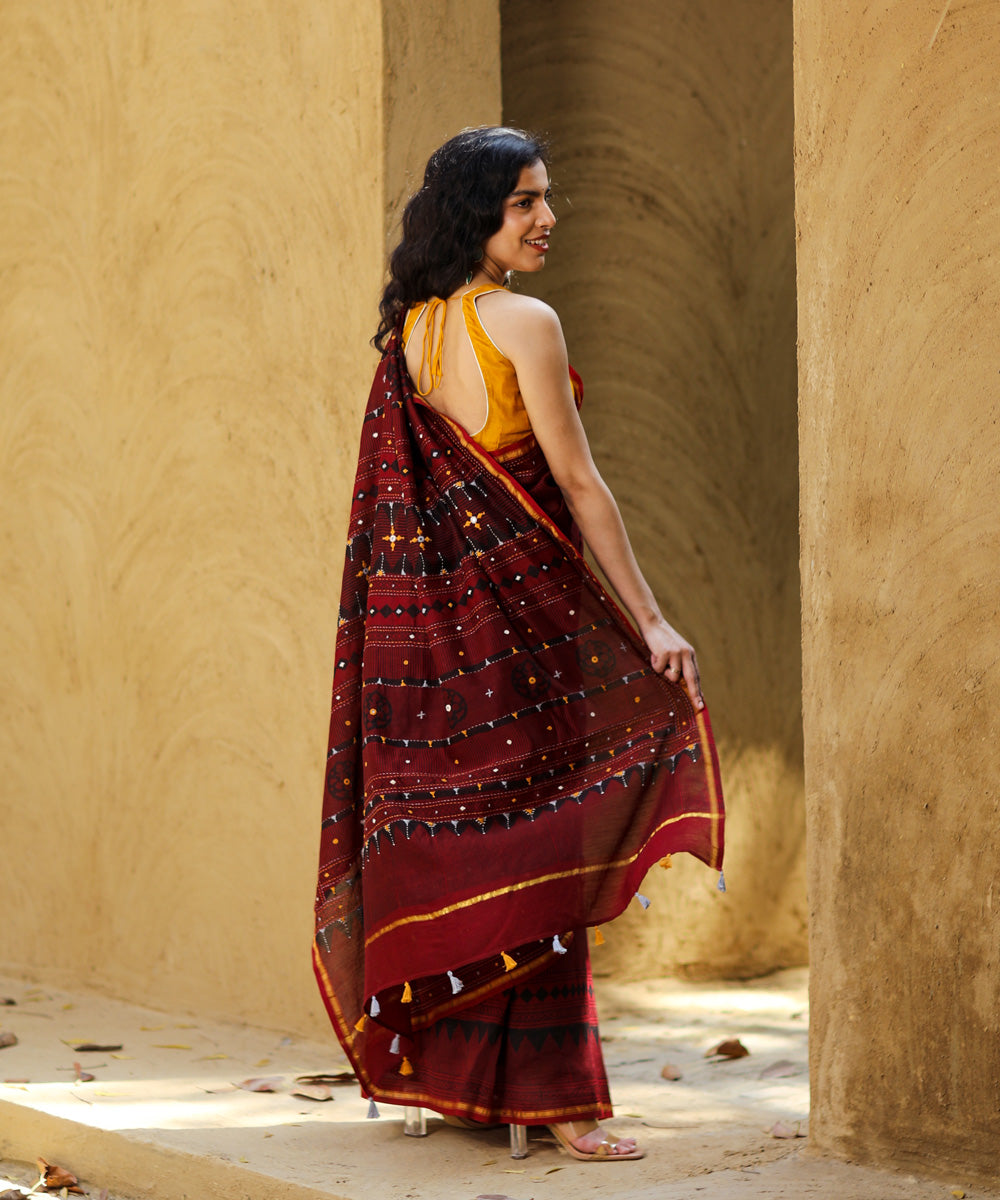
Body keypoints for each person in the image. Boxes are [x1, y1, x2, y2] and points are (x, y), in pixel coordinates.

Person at [313, 126, 724, 1163]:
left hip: (430, 649)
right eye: (521, 204)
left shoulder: (411, 335)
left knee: (466, 849)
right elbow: (580, 485)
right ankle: (562, 1102)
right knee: (544, 850)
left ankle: (469, 1089)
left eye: (546, 199)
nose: (545, 219)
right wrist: (651, 620)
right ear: (476, 217)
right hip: (523, 637)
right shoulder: (523, 323)